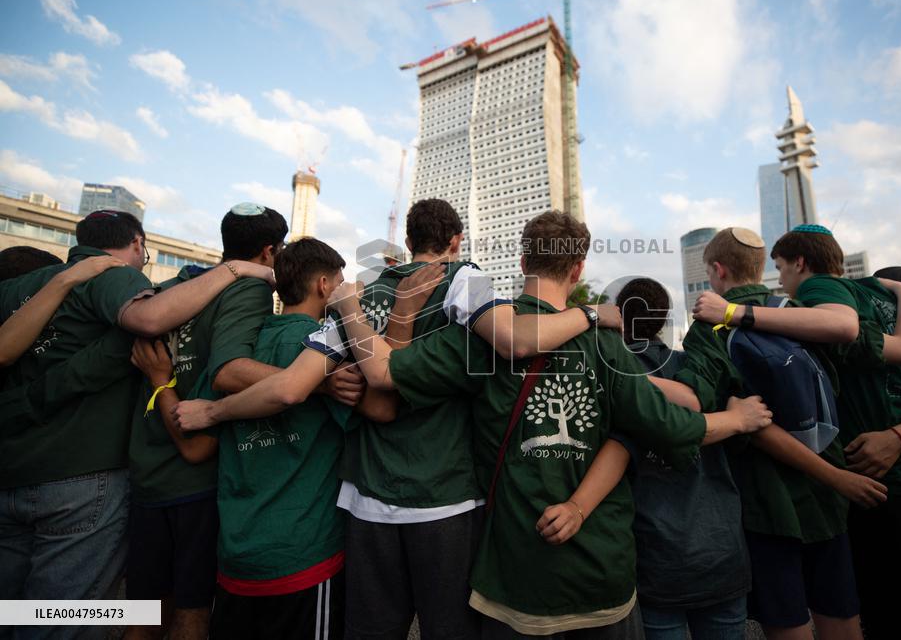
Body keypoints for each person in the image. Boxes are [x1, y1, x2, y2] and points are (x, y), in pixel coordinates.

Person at [174, 199, 625, 639]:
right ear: (455, 241)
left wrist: (213, 410)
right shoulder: (464, 278)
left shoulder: (362, 294)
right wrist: (589, 313)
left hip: (367, 502)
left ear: (408, 241)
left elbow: (290, 388)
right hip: (444, 498)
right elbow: (513, 339)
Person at [315, 211, 774, 638]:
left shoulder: (480, 341)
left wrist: (360, 313)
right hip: (600, 575)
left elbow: (387, 373)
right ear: (577, 271)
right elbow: (672, 428)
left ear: (521, 262)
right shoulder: (606, 347)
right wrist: (736, 419)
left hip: (511, 578)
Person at [696, 224, 901, 639]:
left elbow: (751, 420)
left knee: (835, 618)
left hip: (834, 495)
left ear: (717, 270)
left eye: (783, 268)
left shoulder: (787, 311)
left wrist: (732, 313)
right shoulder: (822, 315)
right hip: (885, 491)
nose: (782, 280)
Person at [0, 208, 275, 639]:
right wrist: (236, 271)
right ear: (137, 244)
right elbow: (147, 324)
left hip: (17, 477)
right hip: (83, 479)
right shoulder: (120, 280)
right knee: (64, 620)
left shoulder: (17, 289)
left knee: (19, 613)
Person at [685, 228, 898, 640]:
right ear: (761, 266)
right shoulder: (799, 311)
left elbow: (747, 420)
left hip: (768, 503)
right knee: (841, 613)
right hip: (831, 497)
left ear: (717, 269)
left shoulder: (710, 328)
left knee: (787, 621)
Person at [122, 203, 293, 639]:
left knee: (143, 614)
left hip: (147, 475)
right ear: (269, 251)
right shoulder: (246, 292)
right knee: (192, 612)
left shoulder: (180, 286)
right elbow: (230, 372)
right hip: (195, 483)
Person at [610, 276, 752, 640]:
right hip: (721, 548)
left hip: (654, 558)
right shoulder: (700, 369)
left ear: (620, 317)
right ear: (663, 320)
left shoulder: (610, 375)